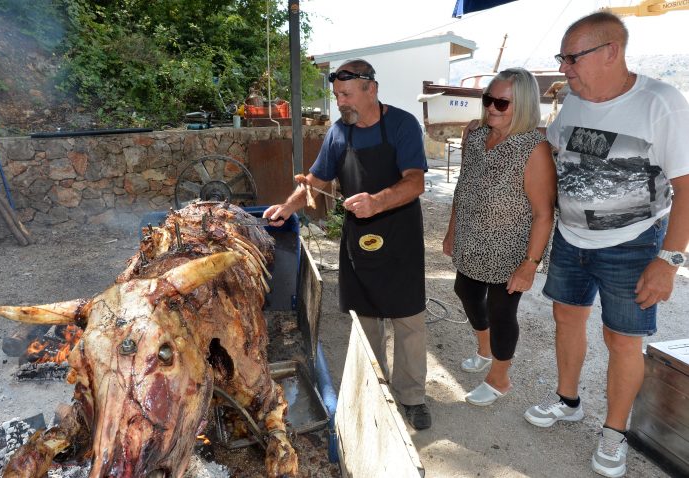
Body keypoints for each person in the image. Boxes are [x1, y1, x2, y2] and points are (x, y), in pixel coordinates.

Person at [522, 12, 689, 478]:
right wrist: (498, 130)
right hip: (571, 237)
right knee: (565, 317)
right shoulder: (574, 100)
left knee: (622, 340)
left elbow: (687, 186)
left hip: (633, 243)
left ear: (611, 52)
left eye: (572, 58)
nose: (565, 69)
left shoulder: (661, 102)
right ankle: (568, 400)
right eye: (563, 58)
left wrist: (669, 260)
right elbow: (550, 146)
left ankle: (614, 432)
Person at [263, 59, 432, 430]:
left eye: (347, 95)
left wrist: (377, 201)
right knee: (366, 317)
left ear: (371, 89)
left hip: (400, 234)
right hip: (360, 239)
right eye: (337, 95)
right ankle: (378, 390)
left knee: (407, 320)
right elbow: (314, 180)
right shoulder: (339, 133)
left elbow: (415, 182)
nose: (340, 103)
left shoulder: (402, 124)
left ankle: (412, 396)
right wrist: (286, 208)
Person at [442, 68, 556, 407]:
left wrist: (530, 264)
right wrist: (451, 231)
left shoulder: (534, 148)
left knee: (502, 310)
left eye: (501, 103)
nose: (491, 108)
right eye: (488, 99)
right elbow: (463, 188)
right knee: (464, 290)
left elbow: (544, 213)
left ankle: (499, 378)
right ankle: (485, 348)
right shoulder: (475, 136)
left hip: (511, 249)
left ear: (521, 106)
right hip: (472, 238)